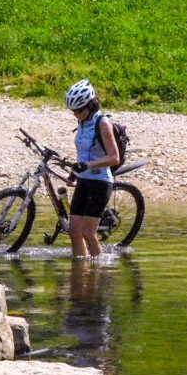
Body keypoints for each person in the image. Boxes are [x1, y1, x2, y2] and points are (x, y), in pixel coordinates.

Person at [64, 79, 120, 257]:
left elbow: (114, 157)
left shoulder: (102, 123)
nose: (75, 114)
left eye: (78, 110)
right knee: (74, 232)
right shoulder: (82, 122)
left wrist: (88, 165)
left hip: (100, 182)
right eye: (73, 111)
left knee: (88, 233)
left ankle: (99, 271)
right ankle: (81, 276)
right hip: (84, 181)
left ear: (90, 105)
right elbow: (83, 154)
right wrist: (73, 174)